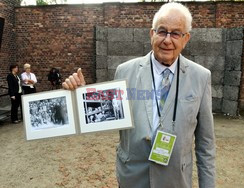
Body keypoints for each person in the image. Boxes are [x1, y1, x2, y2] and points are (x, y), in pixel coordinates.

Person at [62, 2, 215, 188]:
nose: (167, 40)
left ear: (186, 38)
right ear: (152, 34)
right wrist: (80, 96)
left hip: (175, 180)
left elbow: (205, 144)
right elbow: (103, 115)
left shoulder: (201, 77)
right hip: (132, 178)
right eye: (162, 31)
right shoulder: (124, 71)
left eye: (175, 33)